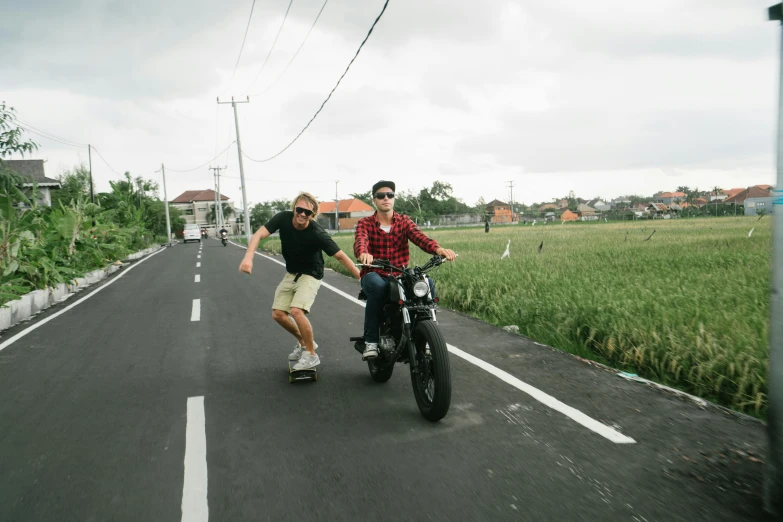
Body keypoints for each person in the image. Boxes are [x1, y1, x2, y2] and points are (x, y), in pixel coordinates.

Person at [239, 192, 361, 370]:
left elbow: (341, 256)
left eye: (308, 213)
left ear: (313, 215)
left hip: (311, 273)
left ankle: (311, 354)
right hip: (292, 272)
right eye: (300, 209)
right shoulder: (283, 218)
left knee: (296, 311)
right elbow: (258, 235)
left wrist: (361, 278)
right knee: (278, 314)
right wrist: (248, 258)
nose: (303, 214)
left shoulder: (317, 233)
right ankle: (304, 342)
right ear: (294, 207)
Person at [353, 181, 457, 360]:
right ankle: (371, 341)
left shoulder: (404, 221)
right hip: (375, 273)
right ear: (374, 200)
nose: (386, 198)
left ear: (394, 198)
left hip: (400, 274)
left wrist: (439, 250)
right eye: (381, 196)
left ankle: (427, 335)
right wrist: (363, 253)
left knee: (427, 283)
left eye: (390, 195)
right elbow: (361, 240)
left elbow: (420, 238)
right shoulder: (366, 223)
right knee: (377, 287)